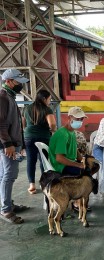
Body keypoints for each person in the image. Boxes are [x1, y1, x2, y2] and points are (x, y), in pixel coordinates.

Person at [0, 69, 29, 224]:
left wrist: (21, 144)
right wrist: (8, 144)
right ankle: (6, 210)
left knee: (4, 175)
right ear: (9, 81)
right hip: (7, 145)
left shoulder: (10, 96)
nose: (20, 85)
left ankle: (7, 204)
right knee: (9, 175)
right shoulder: (3, 97)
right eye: (18, 82)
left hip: (12, 143)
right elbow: (1, 124)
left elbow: (16, 124)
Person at [22, 90, 57, 194]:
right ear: (44, 99)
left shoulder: (26, 108)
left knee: (31, 161)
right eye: (49, 99)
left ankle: (32, 185)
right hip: (43, 137)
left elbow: (23, 124)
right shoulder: (47, 109)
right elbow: (52, 124)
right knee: (44, 161)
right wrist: (53, 130)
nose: (49, 101)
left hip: (29, 137)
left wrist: (28, 131)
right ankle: (45, 184)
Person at [49, 107, 87, 176]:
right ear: (69, 118)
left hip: (69, 162)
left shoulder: (71, 132)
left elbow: (74, 149)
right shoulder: (63, 134)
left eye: (81, 119)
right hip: (61, 166)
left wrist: (82, 160)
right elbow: (59, 158)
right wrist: (78, 165)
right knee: (86, 174)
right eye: (77, 118)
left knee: (91, 167)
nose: (80, 121)